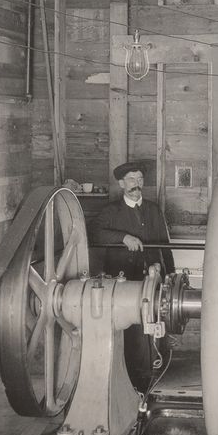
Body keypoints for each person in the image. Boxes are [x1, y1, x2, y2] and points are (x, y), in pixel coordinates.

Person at [91, 160, 176, 391]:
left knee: (150, 334)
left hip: (153, 283)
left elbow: (164, 245)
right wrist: (123, 238)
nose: (136, 184)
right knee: (128, 335)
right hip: (122, 285)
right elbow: (96, 234)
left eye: (139, 179)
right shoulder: (110, 212)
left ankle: (148, 381)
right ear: (121, 183)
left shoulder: (153, 209)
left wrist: (171, 276)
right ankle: (129, 384)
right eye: (131, 180)